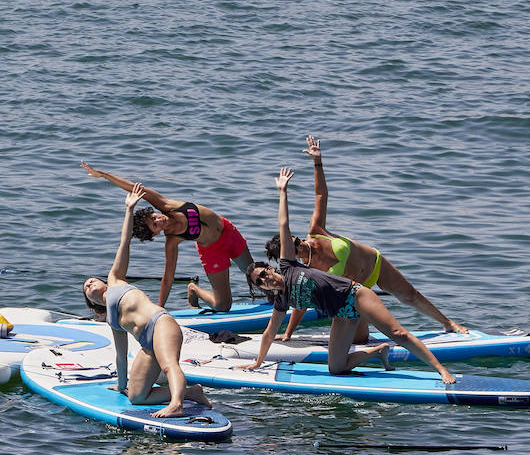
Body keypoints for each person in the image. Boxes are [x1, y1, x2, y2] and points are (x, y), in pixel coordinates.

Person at [241, 167, 456, 383]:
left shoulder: (288, 265)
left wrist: (282, 192)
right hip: (342, 314)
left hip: (355, 295)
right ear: (263, 289)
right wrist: (258, 363)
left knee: (397, 334)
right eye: (260, 282)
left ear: (271, 268)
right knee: (336, 368)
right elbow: (269, 334)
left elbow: (283, 224)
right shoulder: (282, 301)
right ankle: (378, 352)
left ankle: (441, 370)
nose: (265, 279)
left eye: (263, 273)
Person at [266, 135, 467, 341]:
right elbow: (301, 305)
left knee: (410, 296)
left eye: (297, 240)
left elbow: (321, 196)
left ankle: (448, 323)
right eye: (295, 247)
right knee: (360, 340)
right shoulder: (308, 271)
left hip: (375, 264)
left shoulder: (316, 230)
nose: (301, 244)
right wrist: (288, 333)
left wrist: (317, 162)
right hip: (357, 292)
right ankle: (375, 349)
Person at [81, 185, 216, 418]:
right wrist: (121, 385)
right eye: (86, 287)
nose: (90, 282)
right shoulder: (113, 322)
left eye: (92, 280)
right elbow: (121, 356)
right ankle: (192, 393)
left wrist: (129, 210)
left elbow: (125, 242)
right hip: (147, 344)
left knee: (168, 364)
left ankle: (177, 404)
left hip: (161, 323)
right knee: (136, 396)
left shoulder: (115, 280)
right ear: (94, 304)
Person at [80, 162, 252, 312]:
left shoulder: (165, 205)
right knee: (223, 306)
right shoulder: (172, 241)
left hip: (228, 231)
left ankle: (273, 300)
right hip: (213, 251)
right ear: (155, 234)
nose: (158, 219)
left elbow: (134, 188)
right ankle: (194, 290)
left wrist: (103, 175)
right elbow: (168, 277)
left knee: (252, 271)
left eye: (153, 217)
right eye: (155, 225)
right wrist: (160, 307)